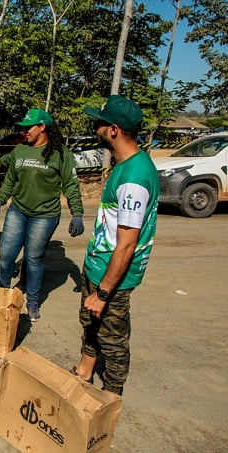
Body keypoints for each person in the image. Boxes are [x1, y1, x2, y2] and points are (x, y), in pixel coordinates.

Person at [71, 95, 159, 395]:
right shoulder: (126, 165)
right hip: (98, 268)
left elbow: (126, 245)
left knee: (113, 341)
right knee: (91, 324)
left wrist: (104, 292)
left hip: (113, 278)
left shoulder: (134, 177)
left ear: (113, 130)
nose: (94, 127)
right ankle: (84, 370)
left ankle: (110, 398)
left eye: (99, 122)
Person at [0, 108, 85, 321]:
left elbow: (70, 184)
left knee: (33, 258)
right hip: (18, 211)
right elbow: (10, 179)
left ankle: (32, 302)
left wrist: (77, 213)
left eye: (28, 127)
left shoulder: (61, 153)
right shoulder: (21, 150)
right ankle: (3, 293)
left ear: (42, 127)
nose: (24, 131)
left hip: (45, 215)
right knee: (5, 256)